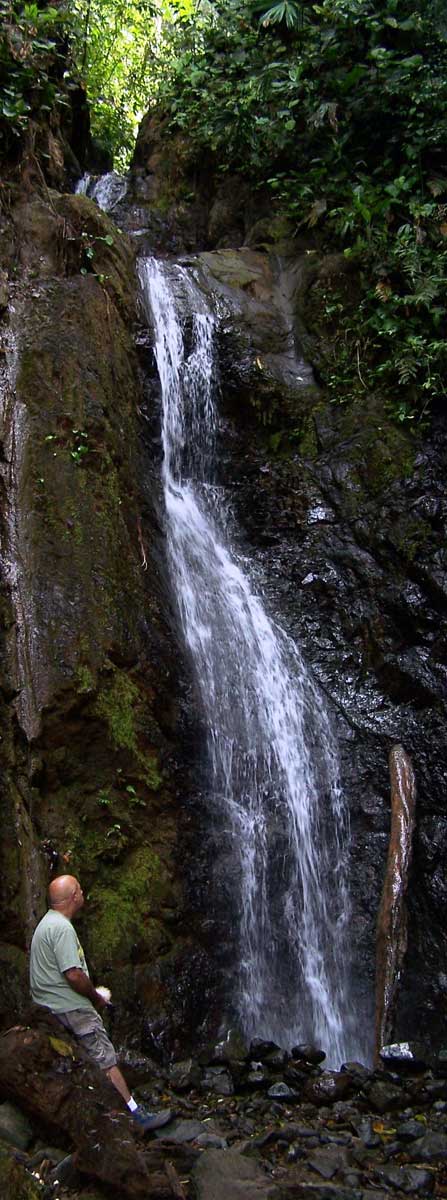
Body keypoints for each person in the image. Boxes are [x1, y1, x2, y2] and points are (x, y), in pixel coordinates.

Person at [29, 874, 172, 1134]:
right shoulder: (61, 928)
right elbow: (72, 973)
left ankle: (99, 1119)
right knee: (104, 1059)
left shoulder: (46, 924)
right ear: (73, 897)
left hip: (51, 1007)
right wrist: (95, 998)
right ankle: (135, 1116)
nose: (83, 892)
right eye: (80, 889)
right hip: (71, 1007)